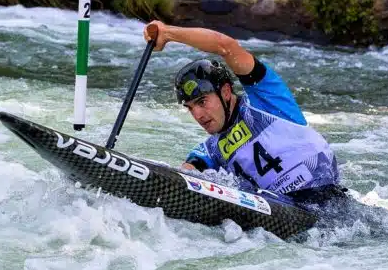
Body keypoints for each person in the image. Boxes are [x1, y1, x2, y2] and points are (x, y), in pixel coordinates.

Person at [143, 20, 346, 207]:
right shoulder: (211, 149)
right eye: (190, 108)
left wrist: (169, 33)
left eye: (202, 101)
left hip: (328, 201)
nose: (197, 114)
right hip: (284, 212)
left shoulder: (266, 98)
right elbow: (183, 177)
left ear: (225, 91)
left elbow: (226, 46)